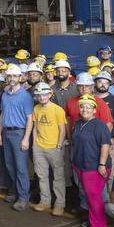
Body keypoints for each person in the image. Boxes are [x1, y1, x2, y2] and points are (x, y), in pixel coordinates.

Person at [72, 94, 112, 227]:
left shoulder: (100, 126)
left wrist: (101, 164)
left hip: (94, 167)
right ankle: (93, 221)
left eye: (89, 107)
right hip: (81, 165)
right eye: (82, 106)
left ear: (94, 110)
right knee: (90, 197)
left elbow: (105, 146)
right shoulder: (78, 123)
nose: (85, 109)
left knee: (94, 197)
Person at [0, 65, 34, 211]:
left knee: (20, 168)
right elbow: (2, 114)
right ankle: (16, 191)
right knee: (9, 165)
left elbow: (30, 119)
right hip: (7, 132)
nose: (12, 79)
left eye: (14, 76)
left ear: (20, 78)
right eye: (10, 76)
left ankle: (23, 197)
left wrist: (26, 138)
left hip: (19, 133)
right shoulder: (5, 94)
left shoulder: (25, 96)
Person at [30, 82, 67, 215]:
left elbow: (62, 129)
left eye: (44, 94)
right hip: (39, 147)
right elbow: (35, 128)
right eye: (39, 95)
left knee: (58, 177)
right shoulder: (36, 109)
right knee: (42, 176)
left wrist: (59, 145)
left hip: (54, 148)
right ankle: (45, 201)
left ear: (50, 94)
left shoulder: (58, 110)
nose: (42, 97)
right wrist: (34, 144)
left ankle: (59, 204)